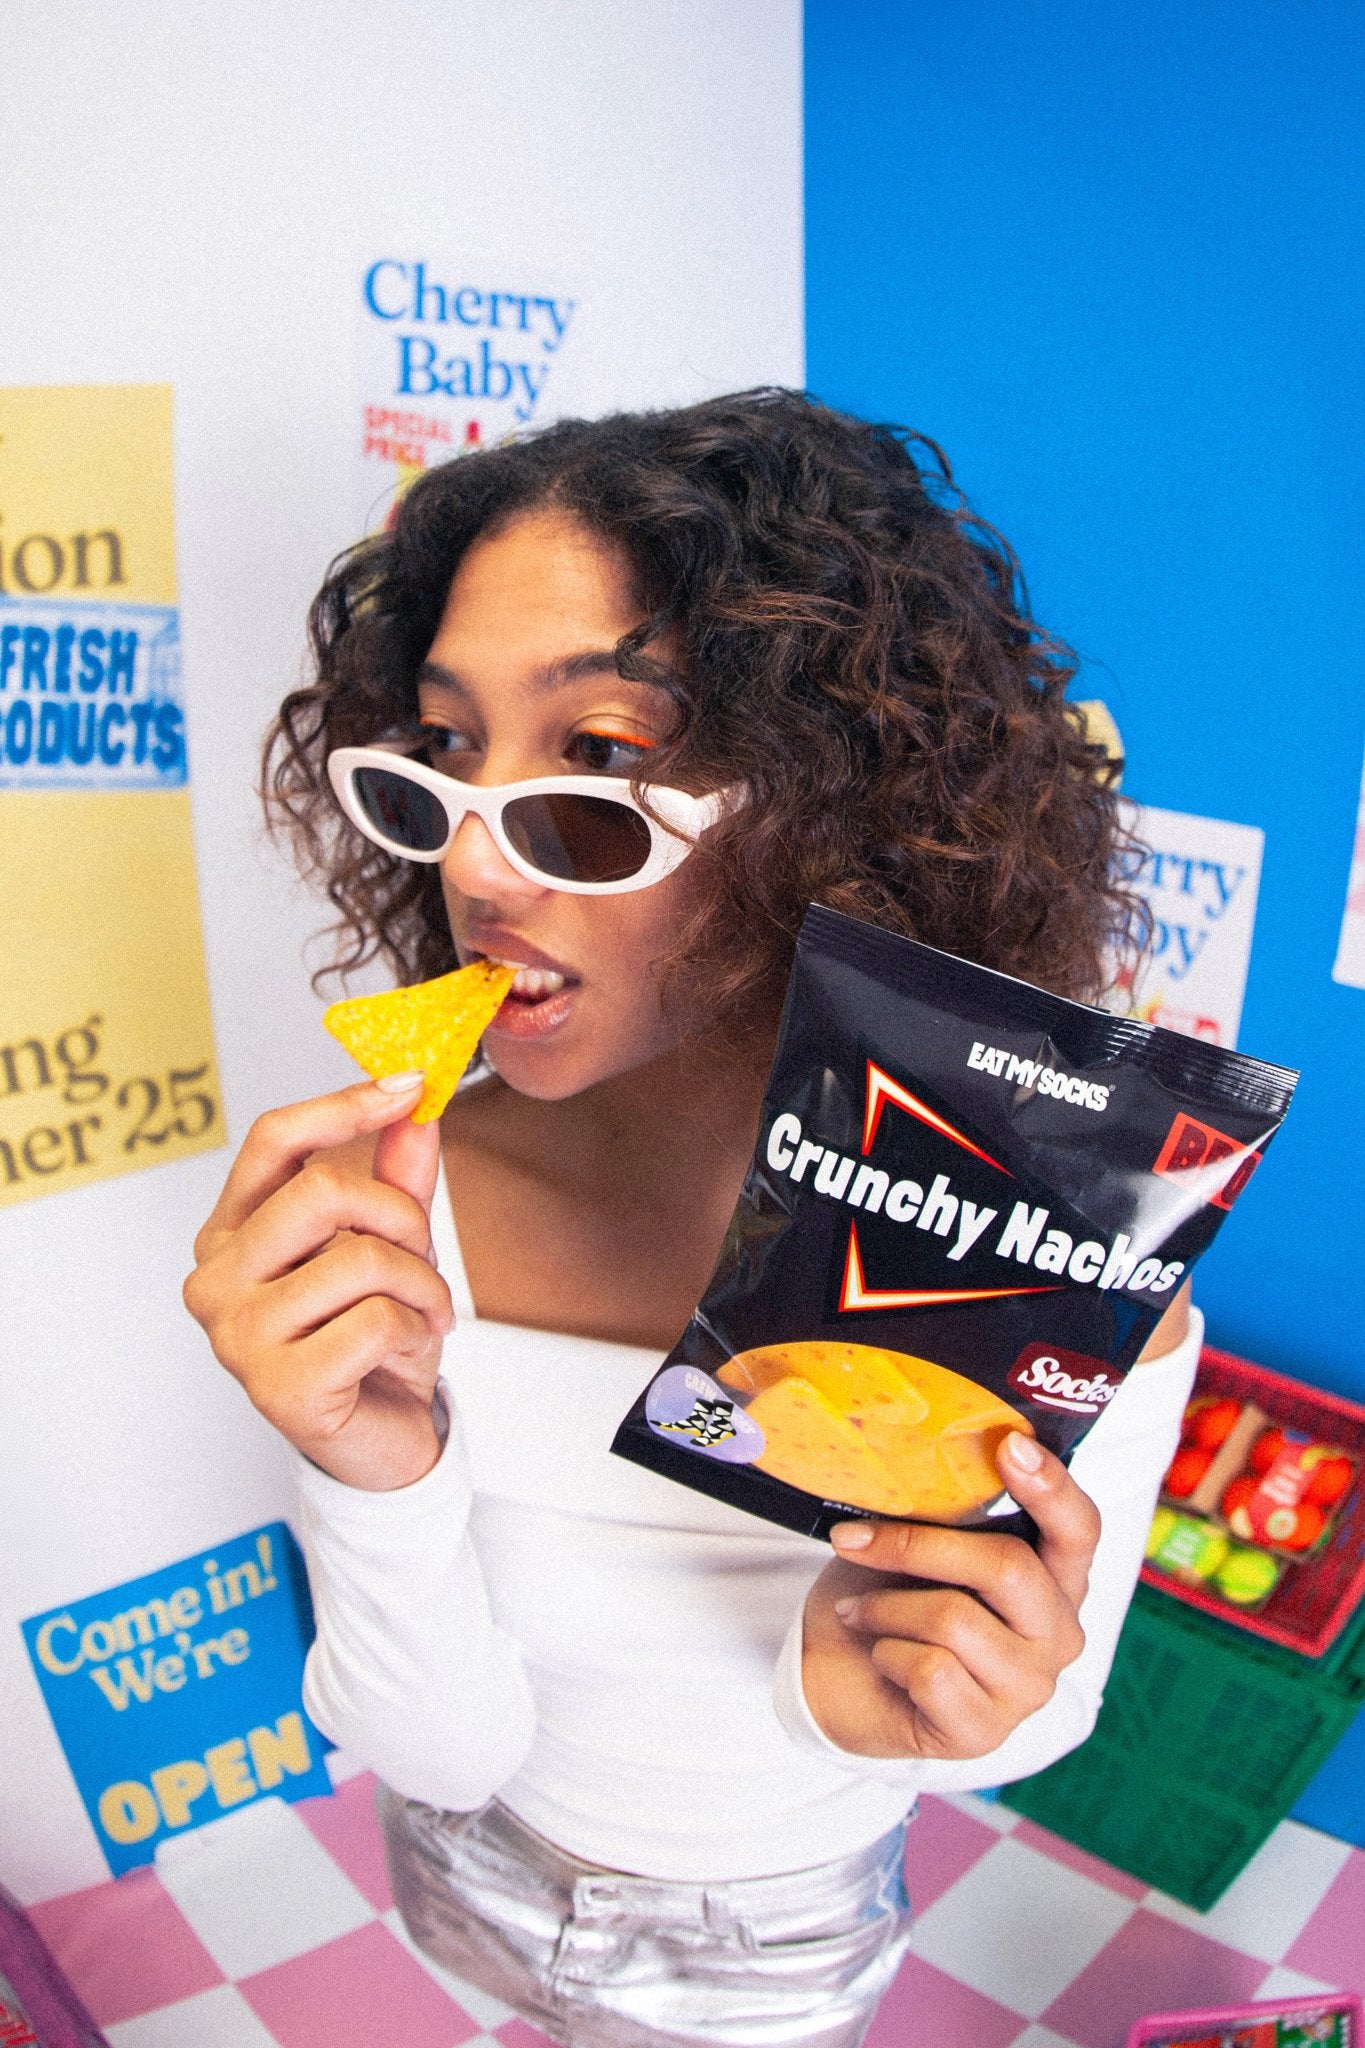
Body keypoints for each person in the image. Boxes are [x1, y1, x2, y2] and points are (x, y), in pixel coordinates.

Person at [184, 390, 1200, 2048]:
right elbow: (433, 1751)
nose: (477, 872)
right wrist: (366, 1468)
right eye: (447, 752)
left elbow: (1035, 1721)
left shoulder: (1049, 1253)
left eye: (597, 759)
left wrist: (889, 1693)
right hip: (464, 1874)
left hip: (771, 1947)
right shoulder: (396, 1224)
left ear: (831, 806)